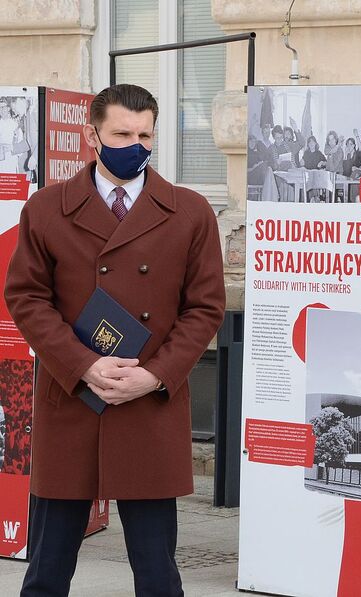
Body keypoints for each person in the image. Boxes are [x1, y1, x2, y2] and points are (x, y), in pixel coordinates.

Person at [4, 84, 226, 597]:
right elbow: (27, 298)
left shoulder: (190, 212)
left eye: (145, 134)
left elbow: (205, 308)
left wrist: (153, 375)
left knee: (156, 573)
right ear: (92, 136)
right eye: (122, 133)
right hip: (72, 401)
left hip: (149, 406)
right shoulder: (47, 208)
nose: (136, 144)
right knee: (46, 573)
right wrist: (83, 365)